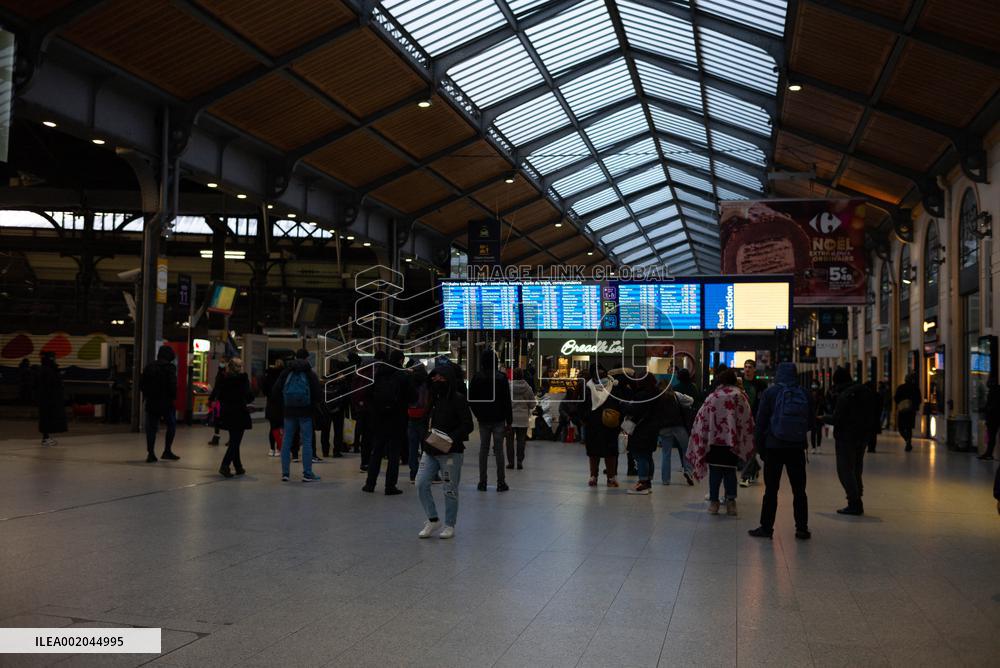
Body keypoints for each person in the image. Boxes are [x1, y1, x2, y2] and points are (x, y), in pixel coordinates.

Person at [748, 362, 812, 540]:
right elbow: (810, 421)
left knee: (771, 490)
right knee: (799, 490)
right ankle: (802, 528)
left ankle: (766, 528)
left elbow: (760, 423)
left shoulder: (770, 393)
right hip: (797, 448)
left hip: (774, 447)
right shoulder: (804, 393)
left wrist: (761, 448)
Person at [416, 361, 474, 539]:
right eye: (434, 377)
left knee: (450, 489)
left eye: (440, 377)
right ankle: (433, 519)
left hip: (451, 452)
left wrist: (450, 438)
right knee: (421, 483)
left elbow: (468, 425)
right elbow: (425, 421)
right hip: (431, 450)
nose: (436, 380)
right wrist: (425, 436)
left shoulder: (457, 399)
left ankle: (450, 524)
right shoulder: (433, 399)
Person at [686, 369, 755, 516]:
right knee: (730, 471)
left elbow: (701, 418)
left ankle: (714, 503)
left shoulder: (713, 397)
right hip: (732, 442)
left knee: (715, 472)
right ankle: (731, 503)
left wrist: (701, 438)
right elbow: (746, 420)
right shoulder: (740, 396)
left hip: (714, 442)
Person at [363, 350, 414, 495]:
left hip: (379, 419)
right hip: (397, 419)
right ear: (401, 360)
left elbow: (368, 395)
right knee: (393, 454)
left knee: (377, 451)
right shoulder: (403, 375)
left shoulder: (378, 373)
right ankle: (390, 486)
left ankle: (370, 484)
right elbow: (413, 396)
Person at [824, 366, 870, 515]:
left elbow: (837, 419)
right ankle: (858, 499)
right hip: (862, 436)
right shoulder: (863, 391)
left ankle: (854, 502)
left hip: (846, 438)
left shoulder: (844, 395)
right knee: (857, 469)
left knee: (845, 470)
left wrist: (822, 418)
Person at [271, 348, 322, 482]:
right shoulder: (310, 373)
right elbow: (318, 393)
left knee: (287, 440)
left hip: (289, 411)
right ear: (306, 358)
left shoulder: (286, 371)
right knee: (306, 441)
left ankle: (285, 473)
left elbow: (275, 391)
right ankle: (307, 473)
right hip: (306, 412)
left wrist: (284, 404)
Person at [468, 349, 512, 492]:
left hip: (483, 419)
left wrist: (478, 414)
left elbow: (471, 399)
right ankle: (501, 483)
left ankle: (482, 482)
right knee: (499, 450)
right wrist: (509, 421)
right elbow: (506, 401)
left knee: (483, 449)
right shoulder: (501, 377)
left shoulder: (476, 378)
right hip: (499, 418)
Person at [212, 357, 253, 478]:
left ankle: (238, 466)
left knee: (234, 439)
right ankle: (225, 465)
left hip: (227, 412)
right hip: (239, 412)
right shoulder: (242, 379)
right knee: (235, 442)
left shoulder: (223, 378)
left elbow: (218, 393)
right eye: (240, 366)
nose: (241, 368)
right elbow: (249, 396)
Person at [139, 345, 179, 462]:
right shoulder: (170, 368)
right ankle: (167, 451)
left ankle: (151, 453)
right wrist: (173, 397)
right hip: (166, 402)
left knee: (151, 428)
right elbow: (172, 385)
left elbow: (141, 384)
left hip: (151, 402)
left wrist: (148, 395)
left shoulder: (149, 366)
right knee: (171, 425)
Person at [583, 365, 621, 487]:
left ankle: (606, 477)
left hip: (607, 425)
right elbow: (581, 405)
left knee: (607, 452)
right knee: (597, 452)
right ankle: (599, 477)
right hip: (595, 425)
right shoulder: (588, 387)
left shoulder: (614, 385)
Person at [624, 373, 662, 494]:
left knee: (641, 456)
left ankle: (642, 483)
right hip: (653, 429)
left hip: (641, 429)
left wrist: (624, 405)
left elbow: (634, 410)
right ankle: (647, 482)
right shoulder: (658, 394)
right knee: (647, 456)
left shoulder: (641, 395)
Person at [658, 379, 694, 486]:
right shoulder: (676, 395)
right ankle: (688, 471)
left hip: (664, 428)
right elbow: (690, 400)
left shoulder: (658, 397)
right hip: (678, 426)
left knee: (666, 454)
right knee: (686, 450)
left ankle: (665, 480)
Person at [739, 359, 767, 487]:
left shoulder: (760, 384)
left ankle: (745, 476)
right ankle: (754, 468)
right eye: (746, 367)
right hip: (740, 420)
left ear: (754, 369)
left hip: (755, 420)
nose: (747, 369)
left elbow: (763, 403)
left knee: (750, 448)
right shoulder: (739, 383)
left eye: (750, 367)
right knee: (743, 449)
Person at [406, 359, 431, 482]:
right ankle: (426, 473)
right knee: (426, 448)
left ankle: (413, 474)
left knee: (412, 447)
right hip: (424, 416)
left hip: (411, 415)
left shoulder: (410, 380)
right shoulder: (427, 381)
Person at [37, 352, 67, 447]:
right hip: (48, 399)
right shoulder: (47, 370)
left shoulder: (45, 369)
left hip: (46, 399)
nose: (55, 360)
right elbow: (51, 384)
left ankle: (46, 437)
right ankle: (45, 439)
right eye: (53, 358)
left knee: (47, 418)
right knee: (47, 418)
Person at [507, 368, 535, 469]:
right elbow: (532, 404)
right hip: (523, 418)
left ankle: (511, 462)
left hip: (511, 418)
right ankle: (519, 461)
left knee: (509, 442)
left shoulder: (508, 387)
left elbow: (505, 403)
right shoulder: (528, 388)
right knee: (521, 441)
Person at [261, 359, 284, 457]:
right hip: (282, 404)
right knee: (281, 428)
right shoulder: (284, 376)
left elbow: (264, 389)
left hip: (271, 404)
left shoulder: (268, 376)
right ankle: (279, 448)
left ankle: (272, 448)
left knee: (273, 428)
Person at [894, 374, 922, 452]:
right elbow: (919, 399)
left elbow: (896, 398)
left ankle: (907, 440)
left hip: (902, 410)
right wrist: (915, 406)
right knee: (909, 427)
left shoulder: (901, 387)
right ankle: (908, 441)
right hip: (911, 410)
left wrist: (900, 404)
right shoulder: (915, 388)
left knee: (901, 427)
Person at [977, 381, 999, 461]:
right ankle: (989, 453)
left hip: (993, 417)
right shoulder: (993, 393)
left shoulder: (993, 393)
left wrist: (985, 410)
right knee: (991, 436)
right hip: (993, 416)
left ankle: (989, 453)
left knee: (991, 436)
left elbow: (990, 405)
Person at [809, 381, 825, 453]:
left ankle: (818, 446)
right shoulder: (810, 396)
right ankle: (813, 447)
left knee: (819, 432)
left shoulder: (821, 396)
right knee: (813, 432)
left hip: (819, 416)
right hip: (812, 416)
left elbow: (823, 405)